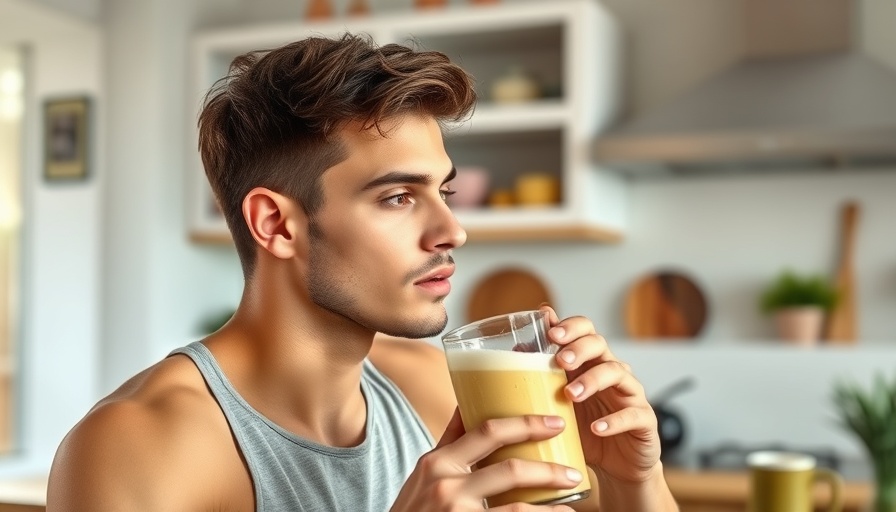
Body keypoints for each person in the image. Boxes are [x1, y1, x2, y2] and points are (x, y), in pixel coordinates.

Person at [47, 34, 678, 511]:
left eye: (444, 192)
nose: (452, 231)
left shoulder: (437, 393)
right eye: (398, 197)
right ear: (276, 224)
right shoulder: (136, 447)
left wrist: (632, 480)